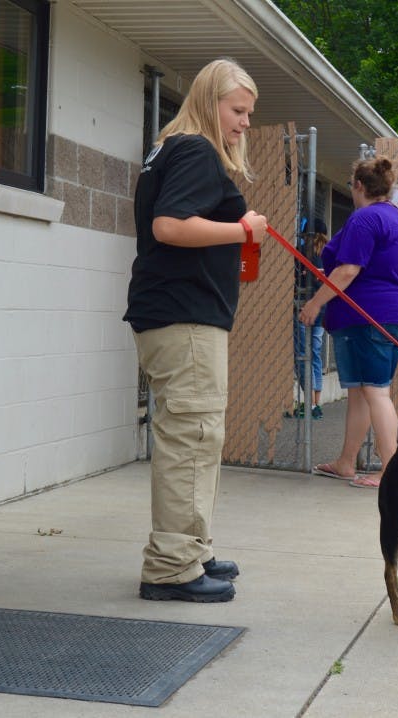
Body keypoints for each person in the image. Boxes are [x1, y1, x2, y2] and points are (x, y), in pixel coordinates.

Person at [123, 58, 268, 602]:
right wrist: (242, 228)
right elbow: (170, 225)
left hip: (174, 314)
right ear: (210, 104)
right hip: (183, 319)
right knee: (192, 439)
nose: (245, 123)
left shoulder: (170, 148)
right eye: (238, 110)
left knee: (200, 437)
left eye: (249, 113)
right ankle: (171, 569)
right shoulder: (193, 149)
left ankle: (192, 549)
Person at [300, 156, 398, 489]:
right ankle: (346, 462)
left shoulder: (364, 219)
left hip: (369, 316)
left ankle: (392, 472)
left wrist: (314, 304)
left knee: (376, 392)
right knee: (361, 391)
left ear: (358, 186)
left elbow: (347, 270)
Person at [288, 217, 329, 420]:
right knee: (315, 354)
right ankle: (316, 403)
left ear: (306, 234)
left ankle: (310, 404)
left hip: (304, 309)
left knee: (303, 355)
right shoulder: (329, 253)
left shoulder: (303, 252)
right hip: (322, 311)